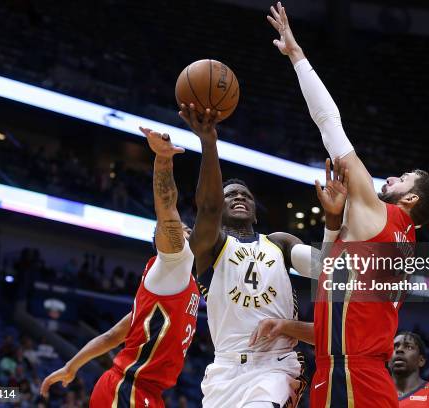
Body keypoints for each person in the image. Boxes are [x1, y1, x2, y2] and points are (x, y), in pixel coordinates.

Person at [262, 3, 429, 407]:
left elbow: (329, 123)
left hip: (351, 380)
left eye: (402, 179)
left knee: (283, 244)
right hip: (355, 374)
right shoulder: (403, 250)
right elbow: (343, 317)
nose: (391, 178)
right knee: (287, 246)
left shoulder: (382, 214)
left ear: (410, 199)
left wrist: (297, 56)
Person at [180, 103, 336, 408]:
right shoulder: (209, 247)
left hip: (275, 365)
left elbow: (328, 270)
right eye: (230, 195)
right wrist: (209, 142)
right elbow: (208, 207)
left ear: (255, 211)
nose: (239, 197)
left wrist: (332, 222)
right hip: (224, 371)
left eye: (245, 195)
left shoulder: (279, 243)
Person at [40, 129, 200, 408]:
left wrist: (71, 365)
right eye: (183, 230)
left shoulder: (178, 285)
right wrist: (163, 160)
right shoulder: (174, 261)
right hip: (128, 388)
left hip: (146, 392)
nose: (186, 231)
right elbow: (167, 210)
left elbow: (114, 335)